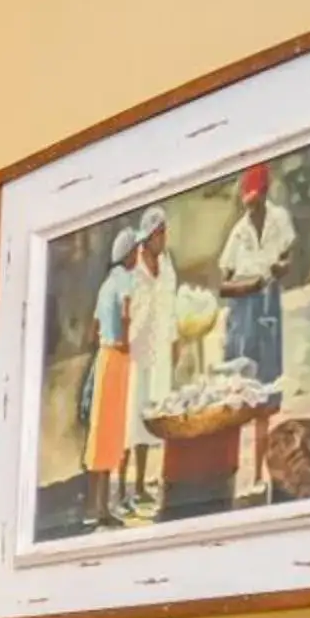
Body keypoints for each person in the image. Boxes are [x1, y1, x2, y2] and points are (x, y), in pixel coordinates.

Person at [220, 161, 297, 495]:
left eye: (256, 201)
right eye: (246, 203)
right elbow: (224, 281)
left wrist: (279, 269)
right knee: (241, 389)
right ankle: (235, 472)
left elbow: (289, 257)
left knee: (265, 391)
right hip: (243, 311)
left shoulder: (279, 220)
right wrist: (244, 287)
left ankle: (258, 474)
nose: (251, 208)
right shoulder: (239, 232)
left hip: (268, 306)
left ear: (265, 194)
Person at [126, 206, 178, 511]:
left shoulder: (167, 265)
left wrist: (174, 338)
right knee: (137, 416)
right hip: (139, 351)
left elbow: (170, 303)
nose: (163, 239)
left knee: (163, 410)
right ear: (147, 238)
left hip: (161, 348)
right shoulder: (136, 271)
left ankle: (161, 476)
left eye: (164, 233)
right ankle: (136, 481)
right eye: (159, 234)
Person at [85, 225, 138, 527]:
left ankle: (98, 505)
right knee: (113, 430)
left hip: (103, 357)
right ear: (128, 255)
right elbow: (127, 315)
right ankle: (104, 507)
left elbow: (93, 330)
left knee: (99, 430)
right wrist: (127, 342)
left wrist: (106, 340)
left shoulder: (105, 285)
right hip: (117, 357)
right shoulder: (125, 281)